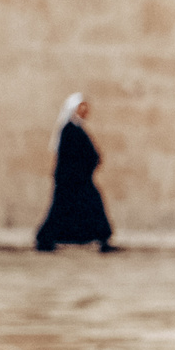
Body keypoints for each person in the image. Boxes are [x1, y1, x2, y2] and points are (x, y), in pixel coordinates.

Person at [35, 93, 116, 252]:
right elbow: (71, 157)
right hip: (71, 180)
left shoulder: (76, 129)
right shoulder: (69, 130)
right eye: (81, 108)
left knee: (82, 207)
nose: (85, 112)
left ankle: (102, 238)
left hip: (79, 179)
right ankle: (45, 239)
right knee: (65, 209)